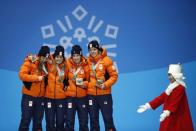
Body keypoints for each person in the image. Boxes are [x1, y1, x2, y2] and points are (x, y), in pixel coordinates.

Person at [137, 64, 194, 131]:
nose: (169, 77)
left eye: (171, 75)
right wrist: (148, 105)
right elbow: (162, 97)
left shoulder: (180, 88)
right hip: (168, 113)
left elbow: (175, 102)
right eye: (168, 75)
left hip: (177, 115)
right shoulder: (171, 86)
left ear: (176, 75)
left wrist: (166, 113)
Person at [87, 40, 118, 131]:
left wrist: (105, 85)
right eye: (90, 50)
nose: (92, 51)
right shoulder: (87, 61)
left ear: (98, 49)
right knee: (93, 120)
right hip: (91, 96)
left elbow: (114, 76)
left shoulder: (106, 60)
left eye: (94, 49)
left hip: (104, 95)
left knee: (108, 119)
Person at [18, 46, 50, 131]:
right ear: (39, 55)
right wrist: (37, 78)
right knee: (25, 121)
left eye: (46, 58)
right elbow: (21, 75)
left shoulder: (47, 66)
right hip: (29, 97)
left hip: (41, 99)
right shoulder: (30, 62)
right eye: (43, 57)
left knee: (38, 123)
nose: (44, 59)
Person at [65, 45, 89, 131]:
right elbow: (53, 58)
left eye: (77, 55)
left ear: (81, 55)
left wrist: (83, 84)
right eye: (74, 55)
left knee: (83, 122)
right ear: (71, 56)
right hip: (70, 98)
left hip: (82, 97)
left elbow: (89, 81)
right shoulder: (67, 63)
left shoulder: (86, 64)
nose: (76, 57)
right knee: (69, 121)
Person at [44, 45, 67, 131]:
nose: (58, 59)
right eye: (57, 56)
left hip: (61, 98)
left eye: (61, 57)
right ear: (54, 56)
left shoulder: (66, 66)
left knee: (60, 122)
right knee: (50, 121)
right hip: (49, 98)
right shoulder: (49, 63)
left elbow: (78, 61)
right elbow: (40, 57)